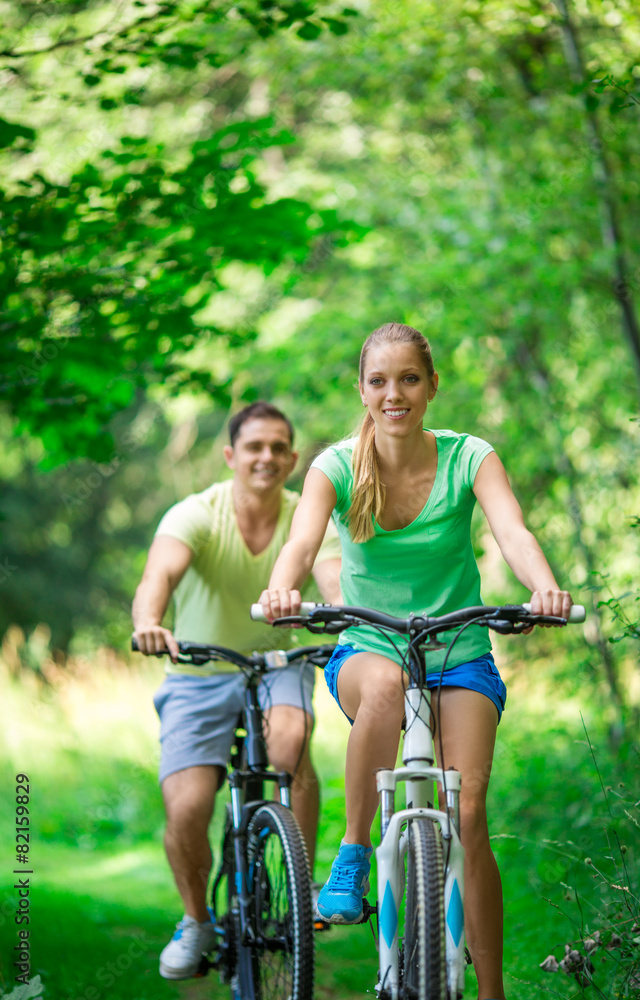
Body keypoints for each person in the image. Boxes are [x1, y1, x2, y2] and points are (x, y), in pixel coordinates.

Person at [259, 324, 572, 1000]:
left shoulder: (469, 458)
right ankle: (350, 854)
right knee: (386, 682)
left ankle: (489, 991)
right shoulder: (335, 467)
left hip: (460, 652)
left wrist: (540, 585)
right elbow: (301, 539)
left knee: (468, 815)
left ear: (431, 386)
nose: (393, 393)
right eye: (379, 381)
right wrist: (283, 588)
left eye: (408, 379)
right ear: (363, 391)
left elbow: (510, 529)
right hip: (369, 649)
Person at [132, 401, 342, 981]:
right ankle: (198, 920)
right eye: (255, 447)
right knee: (189, 808)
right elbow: (158, 578)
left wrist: (347, 615)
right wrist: (150, 622)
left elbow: (332, 574)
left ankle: (298, 885)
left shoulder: (307, 514)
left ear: (293, 459)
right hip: (197, 672)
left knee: (290, 743)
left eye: (279, 447)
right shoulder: (196, 514)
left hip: (279, 662)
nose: (267, 457)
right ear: (231, 455)